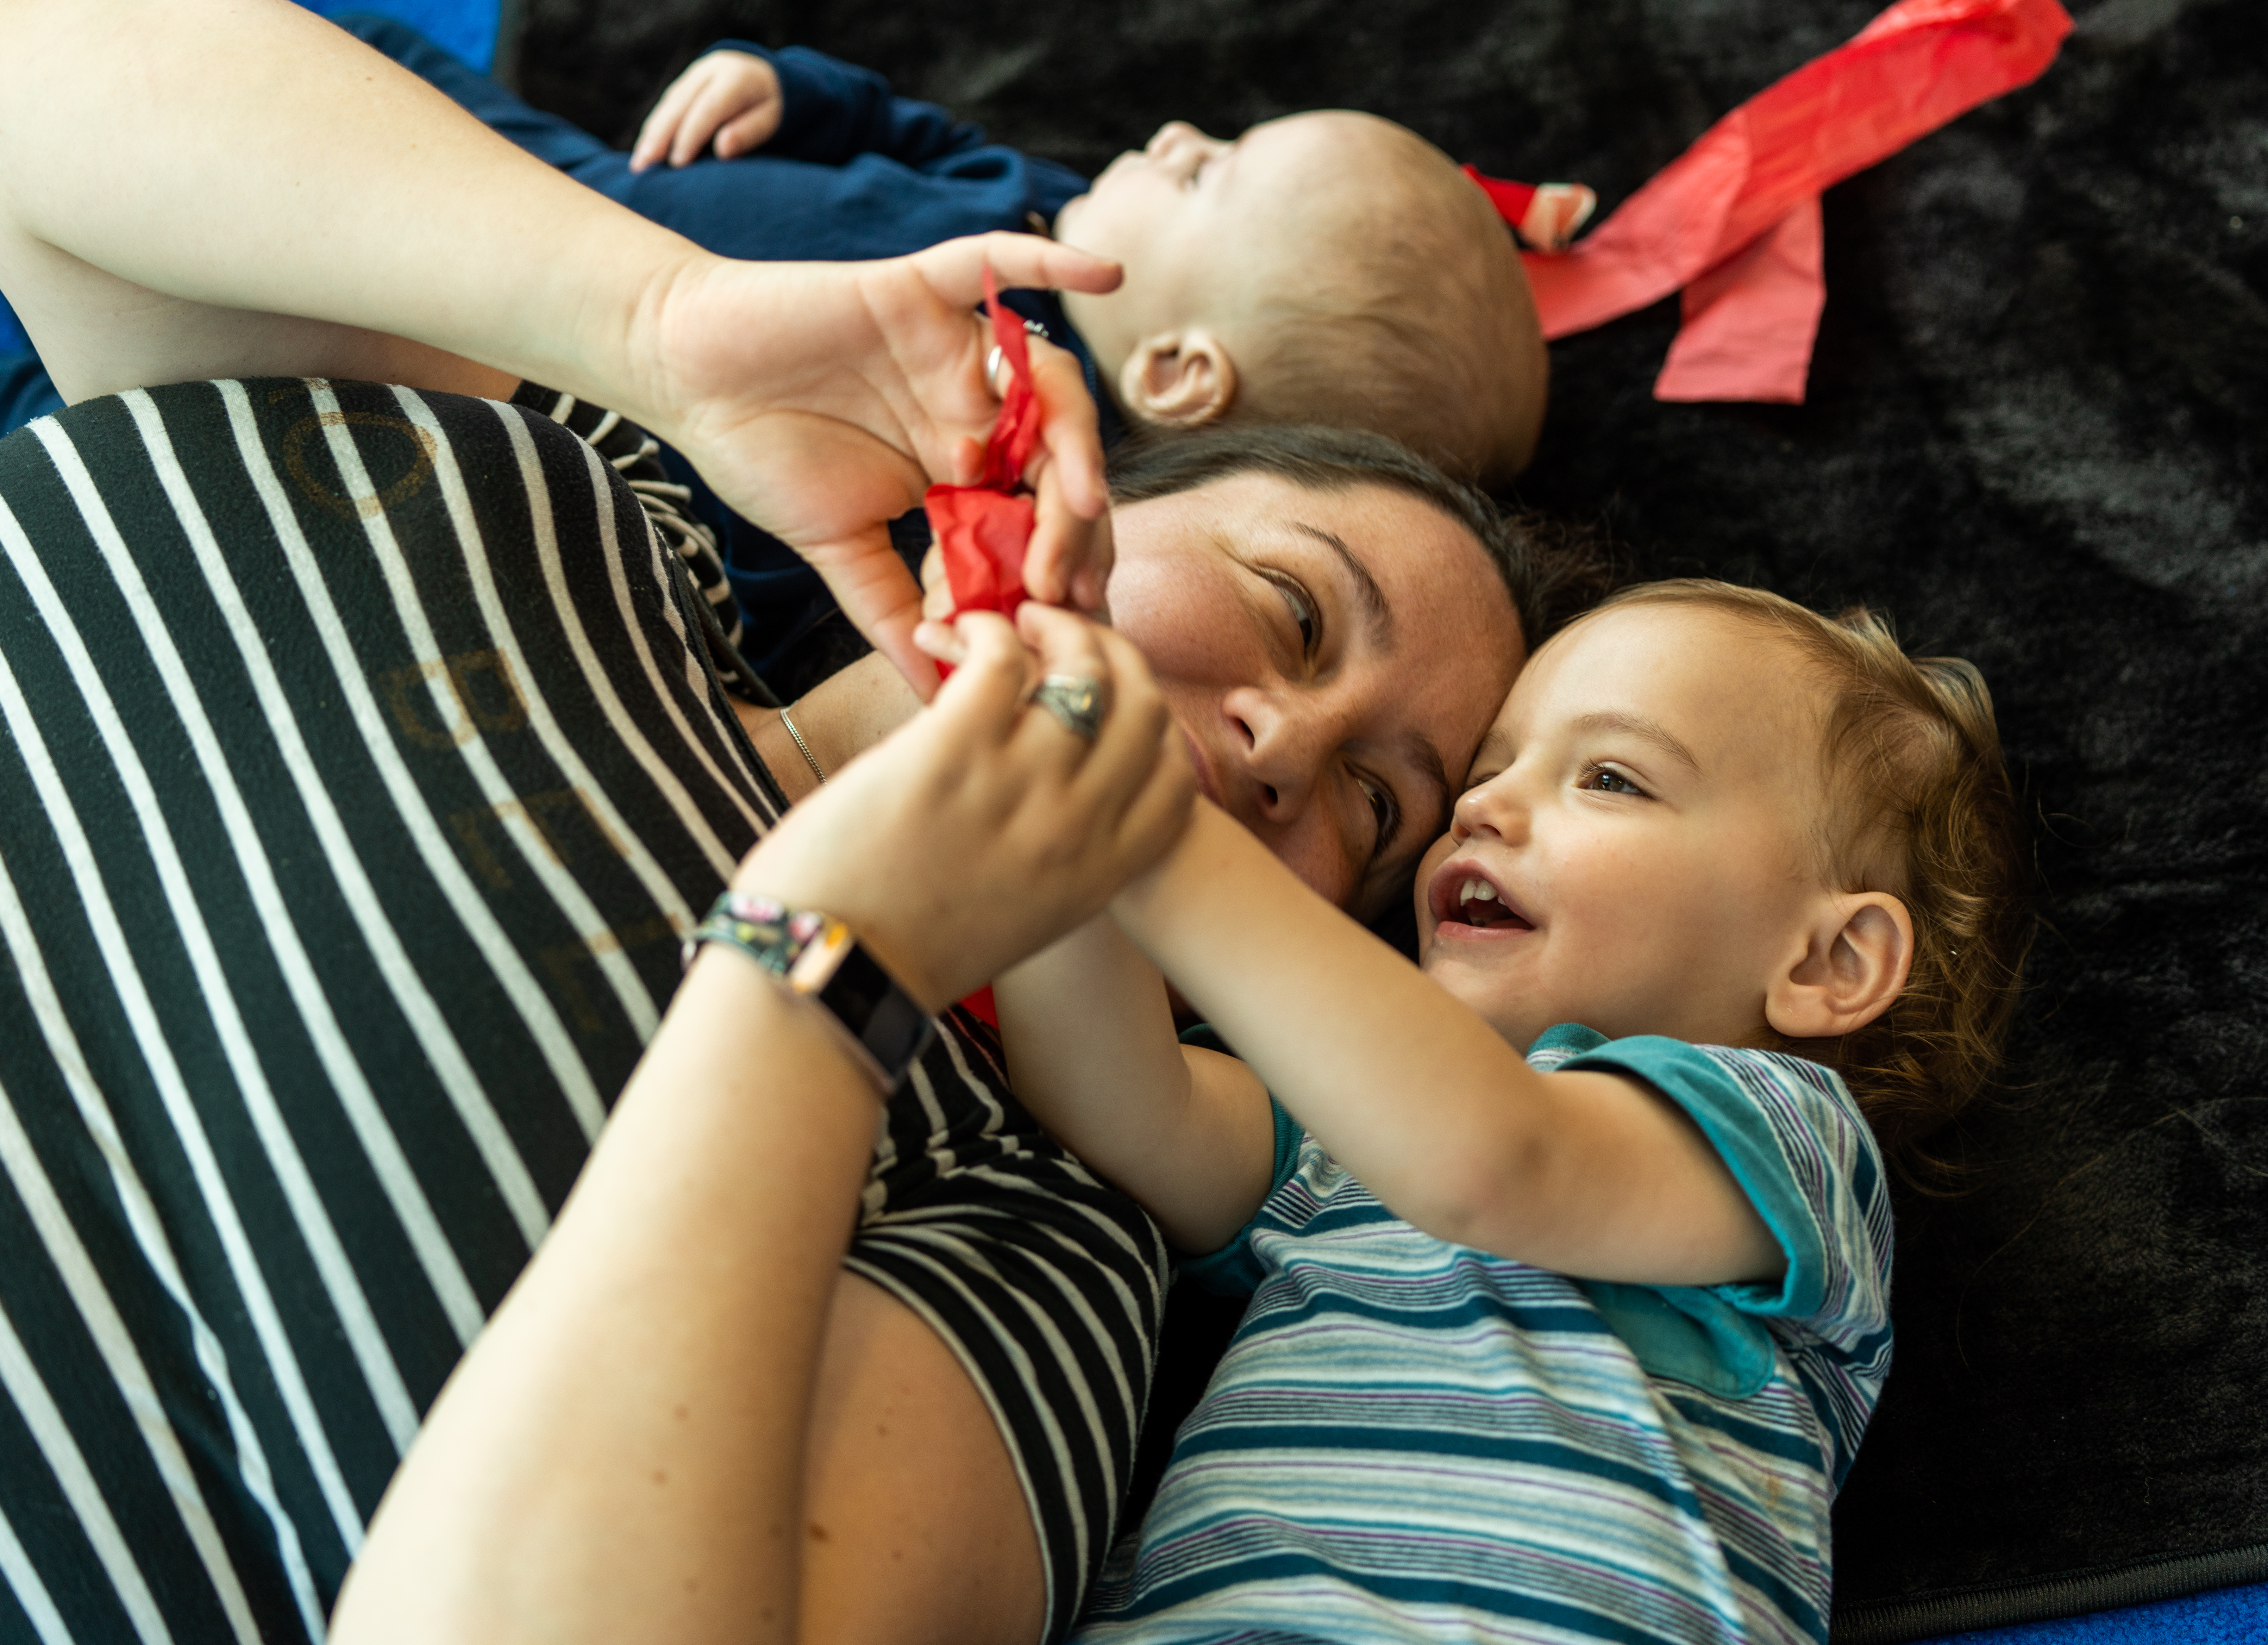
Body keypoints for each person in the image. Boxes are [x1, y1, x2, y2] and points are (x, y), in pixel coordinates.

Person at [0, 9, 1581, 1643]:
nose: (1283, 752)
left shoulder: (1032, 1243)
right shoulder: (580, 504)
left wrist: (832, 960)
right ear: (1082, 471)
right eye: (1298, 615)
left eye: (1372, 810)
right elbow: (41, 82)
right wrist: (661, 319)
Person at [983, 580, 2037, 1643]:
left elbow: (1494, 1161)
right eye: (1485, 774)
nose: (1479, 808)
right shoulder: (1352, 1131)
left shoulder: (1780, 1140)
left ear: (1827, 961)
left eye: (1613, 779)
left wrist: (1158, 835)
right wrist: (1050, 815)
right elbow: (1111, 1109)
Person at [319, 14, 1551, 694]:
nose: (1173, 132)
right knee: (362, 61)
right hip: (587, 173)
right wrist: (789, 91)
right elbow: (913, 130)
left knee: (341, 227)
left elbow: (792, 586)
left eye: (1203, 172)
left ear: (1179, 371)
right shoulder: (1034, 203)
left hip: (559, 385)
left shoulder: (998, 475)